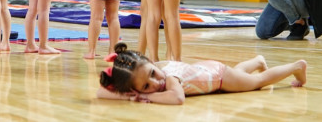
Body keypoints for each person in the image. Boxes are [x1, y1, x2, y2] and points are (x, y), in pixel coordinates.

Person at [96, 42, 307, 105]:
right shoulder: (151, 69)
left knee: (257, 82)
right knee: (240, 75)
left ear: (152, 62)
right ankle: (257, 61)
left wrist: (144, 95)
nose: (155, 83)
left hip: (218, 77)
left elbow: (177, 98)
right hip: (208, 71)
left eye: (152, 74)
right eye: (145, 85)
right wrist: (126, 94)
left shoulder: (169, 79)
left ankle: (296, 67)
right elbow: (100, 93)